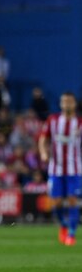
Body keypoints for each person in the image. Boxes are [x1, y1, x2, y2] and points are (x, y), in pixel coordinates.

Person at [38, 92, 81, 246]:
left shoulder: (80, 122)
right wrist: (43, 153)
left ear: (74, 104)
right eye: (64, 101)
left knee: (72, 200)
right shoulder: (53, 120)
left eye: (69, 101)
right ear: (61, 104)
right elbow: (43, 139)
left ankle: (71, 233)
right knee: (55, 203)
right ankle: (63, 225)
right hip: (55, 169)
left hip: (74, 170)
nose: (67, 104)